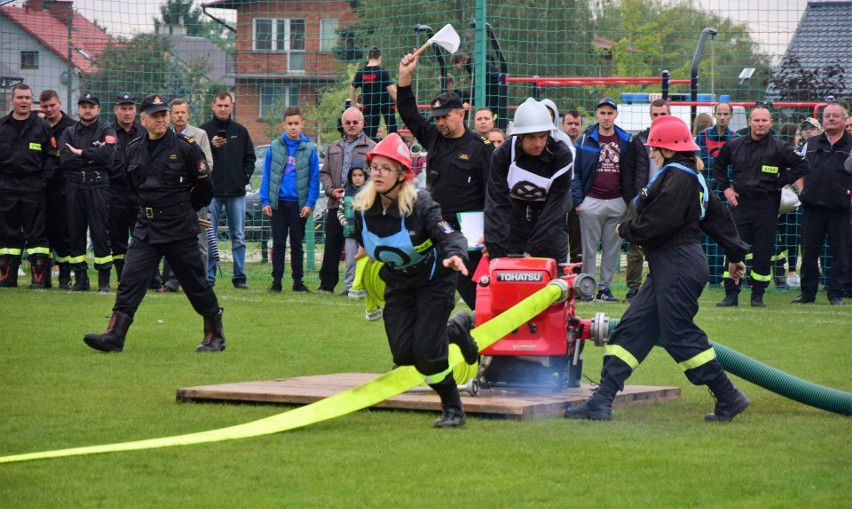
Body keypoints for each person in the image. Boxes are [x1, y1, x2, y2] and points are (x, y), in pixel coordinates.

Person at [564, 116, 751, 422]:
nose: (650, 153)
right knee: (631, 329)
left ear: (667, 149)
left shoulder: (679, 177)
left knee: (677, 334)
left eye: (654, 148)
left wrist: (627, 230)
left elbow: (660, 221)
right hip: (672, 265)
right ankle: (602, 401)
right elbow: (718, 218)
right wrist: (734, 254)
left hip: (677, 263)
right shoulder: (691, 177)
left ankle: (728, 395)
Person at [83, 94, 224, 353]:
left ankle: (214, 333)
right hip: (147, 227)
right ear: (143, 119)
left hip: (179, 228)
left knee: (195, 284)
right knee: (130, 278)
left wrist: (184, 211)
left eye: (164, 115)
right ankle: (115, 334)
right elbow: (132, 185)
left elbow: (204, 188)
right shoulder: (135, 148)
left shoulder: (186, 147)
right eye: (155, 115)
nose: (161, 119)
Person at [352, 133, 475, 428]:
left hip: (435, 281)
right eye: (374, 167)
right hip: (398, 283)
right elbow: (363, 239)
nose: (377, 173)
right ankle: (455, 330)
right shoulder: (363, 209)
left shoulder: (421, 205)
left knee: (428, 356)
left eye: (385, 168)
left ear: (403, 174)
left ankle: (453, 410)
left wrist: (455, 256)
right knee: (403, 353)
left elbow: (450, 235)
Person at [396, 50, 494, 310]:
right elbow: (409, 114)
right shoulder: (434, 138)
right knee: (432, 298)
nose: (439, 123)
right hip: (436, 229)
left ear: (461, 114)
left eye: (444, 117)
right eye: (437, 118)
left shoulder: (481, 147)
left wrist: (491, 234)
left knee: (478, 299)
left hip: (469, 236)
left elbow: (493, 194)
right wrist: (405, 77)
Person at [713, 105, 808, 307]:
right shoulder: (734, 145)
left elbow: (802, 166)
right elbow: (718, 166)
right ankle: (731, 294)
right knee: (734, 250)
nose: (760, 124)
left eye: (764, 120)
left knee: (764, 253)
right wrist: (726, 189)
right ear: (749, 122)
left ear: (771, 122)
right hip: (740, 205)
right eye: (756, 120)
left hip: (767, 206)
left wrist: (781, 181)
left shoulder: (779, 147)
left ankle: (757, 296)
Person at [484, 98, 573, 261]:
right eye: (531, 137)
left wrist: (532, 249)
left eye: (543, 136)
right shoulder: (502, 155)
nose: (538, 143)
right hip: (514, 227)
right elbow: (496, 204)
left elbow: (555, 207)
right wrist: (495, 247)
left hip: (550, 228)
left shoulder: (562, 156)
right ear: (519, 136)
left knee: (552, 281)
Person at [571, 97, 633, 302]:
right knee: (588, 250)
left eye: (610, 113)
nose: (606, 117)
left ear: (616, 115)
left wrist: (627, 200)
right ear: (597, 114)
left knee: (612, 249)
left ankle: (605, 289)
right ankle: (587, 287)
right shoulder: (585, 139)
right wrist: (580, 201)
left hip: (617, 201)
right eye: (602, 113)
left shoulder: (625, 140)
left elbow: (630, 171)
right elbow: (577, 172)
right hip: (592, 200)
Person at [792, 103, 851, 306]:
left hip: (842, 209)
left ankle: (836, 294)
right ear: (822, 120)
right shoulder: (812, 143)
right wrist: (802, 191)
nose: (831, 119)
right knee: (808, 252)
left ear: (845, 119)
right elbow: (796, 169)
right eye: (827, 116)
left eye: (836, 115)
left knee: (841, 253)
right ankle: (807, 294)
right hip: (813, 207)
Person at [59, 93, 116, 292]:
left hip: (98, 187)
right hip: (74, 187)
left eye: (91, 106)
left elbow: (108, 156)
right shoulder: (68, 132)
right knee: (75, 232)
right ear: (78, 109)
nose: (87, 109)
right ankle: (80, 279)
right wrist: (92, 158)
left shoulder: (106, 130)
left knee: (101, 232)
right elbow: (65, 160)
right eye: (83, 106)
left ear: (98, 109)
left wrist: (81, 153)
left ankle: (104, 281)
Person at [260, 107, 320, 293]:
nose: (293, 127)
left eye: (296, 123)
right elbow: (267, 175)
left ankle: (298, 282)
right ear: (284, 125)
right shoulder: (274, 147)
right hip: (278, 204)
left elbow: (314, 179)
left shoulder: (309, 149)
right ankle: (276, 282)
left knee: (296, 244)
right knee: (278, 243)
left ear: (302, 124)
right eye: (289, 124)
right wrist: (265, 201)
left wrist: (310, 203)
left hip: (298, 205)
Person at [0, 84, 54, 289]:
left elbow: (52, 158)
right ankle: (7, 276)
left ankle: (38, 279)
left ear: (33, 101)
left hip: (33, 185)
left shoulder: (42, 127)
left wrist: (43, 181)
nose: (24, 101)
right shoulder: (2, 126)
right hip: (6, 185)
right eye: (20, 97)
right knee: (6, 232)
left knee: (37, 233)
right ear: (12, 100)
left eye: (28, 98)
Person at [317, 107, 376, 293]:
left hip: (362, 207)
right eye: (348, 122)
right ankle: (326, 285)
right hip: (336, 204)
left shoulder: (373, 147)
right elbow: (324, 172)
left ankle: (359, 284)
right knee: (332, 246)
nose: (351, 126)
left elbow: (376, 174)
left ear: (362, 123)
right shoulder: (334, 147)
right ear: (342, 124)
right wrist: (331, 190)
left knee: (362, 246)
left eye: (355, 122)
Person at [201, 92, 256, 289]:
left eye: (226, 105)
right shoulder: (204, 132)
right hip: (211, 193)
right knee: (209, 236)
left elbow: (250, 158)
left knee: (239, 236)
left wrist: (243, 178)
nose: (223, 109)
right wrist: (213, 147)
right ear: (213, 107)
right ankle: (209, 277)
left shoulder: (240, 131)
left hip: (236, 193)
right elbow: (198, 159)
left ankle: (239, 276)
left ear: (232, 106)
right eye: (219, 105)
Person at [160, 98, 215, 292]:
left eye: (183, 112)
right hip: (170, 199)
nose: (180, 116)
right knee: (169, 237)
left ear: (188, 114)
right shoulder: (164, 136)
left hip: (194, 197)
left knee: (198, 238)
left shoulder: (199, 135)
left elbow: (208, 165)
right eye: (176, 112)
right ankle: (170, 282)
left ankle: (202, 280)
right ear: (170, 116)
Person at [624, 99, 669, 301]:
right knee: (635, 246)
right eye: (655, 114)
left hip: (666, 199)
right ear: (650, 115)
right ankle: (633, 288)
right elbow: (628, 170)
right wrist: (632, 197)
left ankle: (661, 285)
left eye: (662, 114)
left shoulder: (676, 140)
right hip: (641, 198)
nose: (659, 118)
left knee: (664, 245)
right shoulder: (639, 139)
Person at [696, 102, 738, 285]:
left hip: (726, 192)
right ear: (714, 115)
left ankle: (720, 275)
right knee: (704, 235)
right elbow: (700, 162)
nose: (722, 117)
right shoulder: (702, 136)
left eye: (725, 114)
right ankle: (707, 275)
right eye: (719, 113)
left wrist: (717, 168)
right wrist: (721, 165)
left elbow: (734, 165)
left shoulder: (735, 138)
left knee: (723, 233)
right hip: (705, 191)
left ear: (731, 116)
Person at [38, 89, 75, 288]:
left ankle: (65, 276)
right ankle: (42, 277)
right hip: (40, 188)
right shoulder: (38, 126)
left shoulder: (71, 127)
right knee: (42, 234)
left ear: (59, 104)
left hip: (63, 188)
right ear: (40, 107)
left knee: (63, 234)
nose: (49, 109)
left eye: (52, 105)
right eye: (45, 106)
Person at [109, 93, 146, 284]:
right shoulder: (107, 133)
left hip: (139, 193)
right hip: (115, 192)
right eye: (123, 108)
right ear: (116, 110)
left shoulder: (144, 133)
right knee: (118, 238)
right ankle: (122, 276)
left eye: (131, 108)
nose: (127, 112)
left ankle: (148, 275)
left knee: (143, 236)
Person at [350, 47, 398, 140]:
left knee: (370, 131)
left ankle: (367, 149)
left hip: (370, 104)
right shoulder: (383, 72)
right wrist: (400, 103)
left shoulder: (361, 72)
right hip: (386, 104)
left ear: (367, 57)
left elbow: (352, 88)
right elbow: (392, 90)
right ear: (379, 57)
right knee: (392, 128)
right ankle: (393, 147)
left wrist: (354, 104)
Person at [337, 160, 368, 296]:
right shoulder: (346, 193)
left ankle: (365, 286)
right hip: (349, 233)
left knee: (365, 261)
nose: (357, 178)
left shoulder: (370, 193)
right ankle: (349, 286)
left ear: (365, 176)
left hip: (366, 235)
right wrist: (344, 222)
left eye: (360, 175)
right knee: (350, 261)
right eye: (354, 175)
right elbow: (339, 211)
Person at [561, 109, 584, 263]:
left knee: (578, 246)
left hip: (578, 202)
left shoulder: (586, 146)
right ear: (562, 125)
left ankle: (578, 281)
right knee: (558, 241)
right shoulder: (557, 146)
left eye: (576, 123)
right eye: (570, 123)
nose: (573, 127)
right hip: (559, 200)